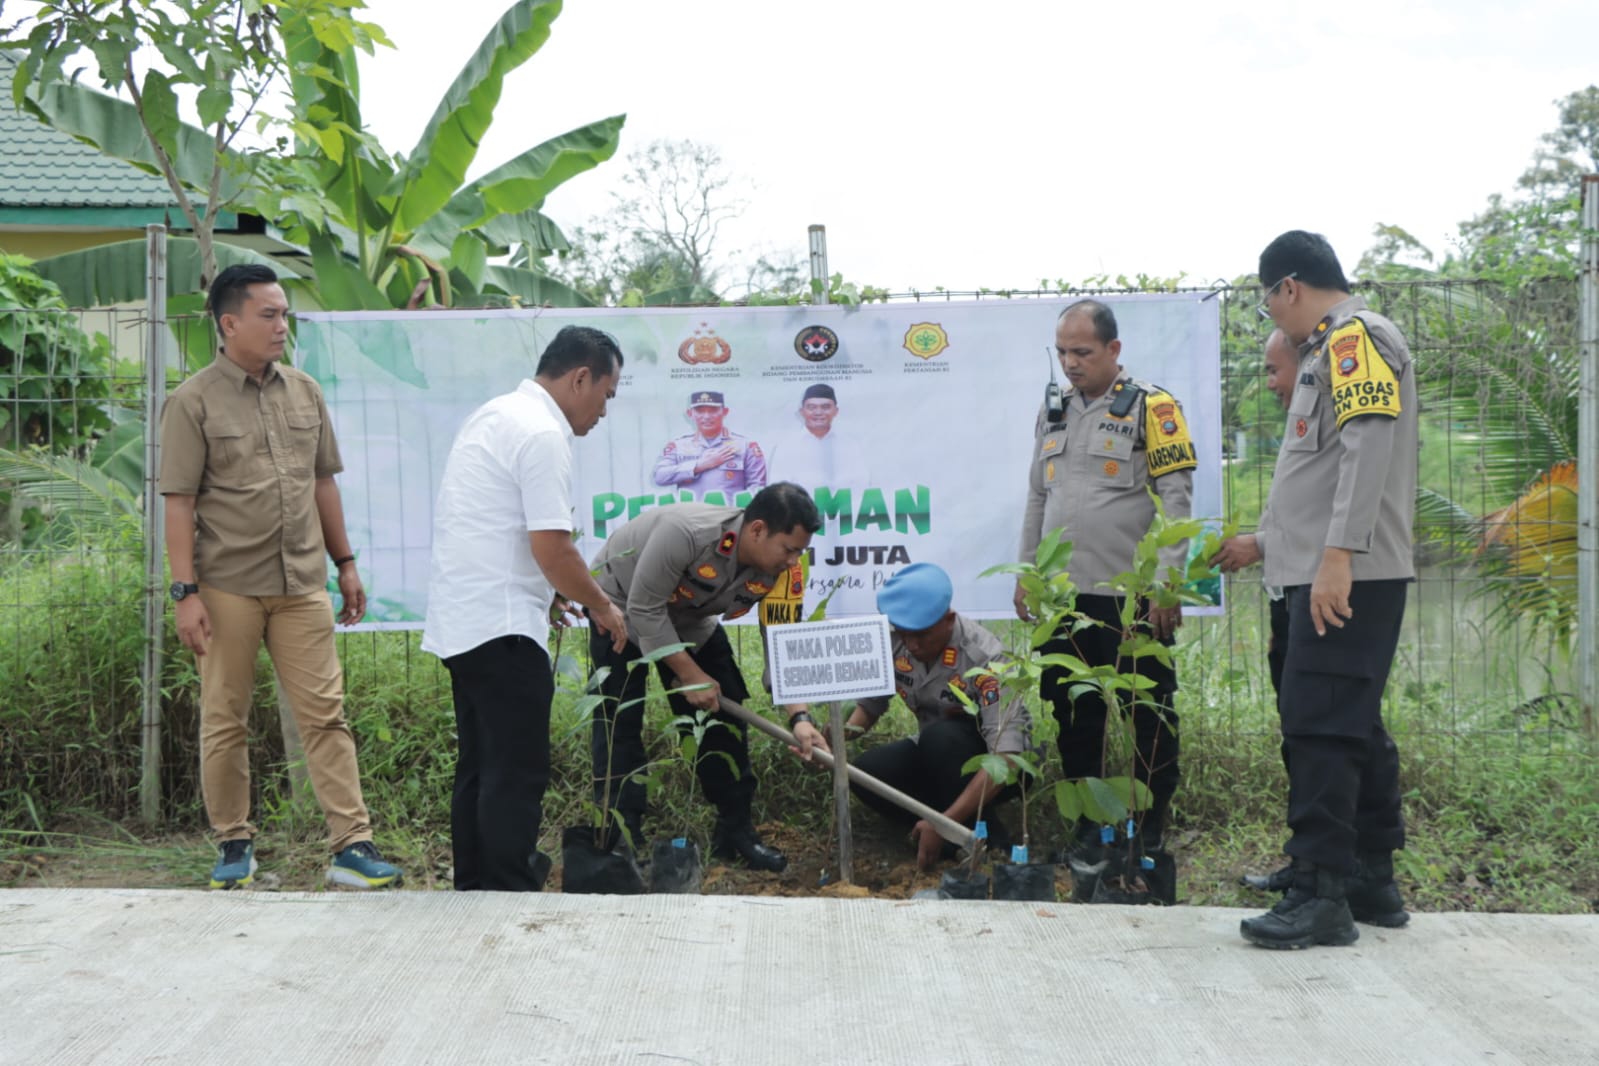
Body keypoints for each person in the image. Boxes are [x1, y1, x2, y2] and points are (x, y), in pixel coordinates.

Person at [159, 264, 401, 891]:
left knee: (327, 715)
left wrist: (345, 564)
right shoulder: (192, 401)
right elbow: (179, 501)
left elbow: (323, 483)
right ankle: (234, 845)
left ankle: (352, 845)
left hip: (301, 585)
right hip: (226, 587)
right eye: (268, 315)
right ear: (229, 321)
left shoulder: (305, 391)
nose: (281, 326)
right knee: (226, 717)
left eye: (285, 314)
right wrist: (185, 593)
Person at [1238, 230, 1416, 950]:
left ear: (1287, 287)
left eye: (1267, 304)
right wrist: (1268, 544)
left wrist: (1337, 554)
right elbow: (1321, 472)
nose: (1272, 319)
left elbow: (1368, 439)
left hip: (1349, 573)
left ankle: (1321, 895)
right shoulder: (1324, 350)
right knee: (1349, 723)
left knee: (1319, 726)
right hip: (1324, 567)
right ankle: (1369, 877)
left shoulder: (1355, 338)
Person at [421, 326, 631, 892]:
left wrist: (553, 591)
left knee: (481, 767)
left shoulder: (497, 414)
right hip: (503, 627)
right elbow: (553, 547)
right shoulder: (543, 433)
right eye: (606, 395)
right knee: (516, 772)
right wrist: (602, 606)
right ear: (580, 378)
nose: (603, 412)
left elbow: (499, 530)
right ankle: (509, 890)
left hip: (466, 620)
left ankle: (476, 888)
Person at [1013, 299, 1196, 853]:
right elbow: (1036, 497)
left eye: (1083, 352)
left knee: (1149, 712)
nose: (1071, 363)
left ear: (1114, 350)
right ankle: (1088, 825)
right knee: (1074, 713)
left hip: (1131, 597)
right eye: (1063, 351)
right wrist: (1028, 574)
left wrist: (1165, 586)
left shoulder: (1153, 408)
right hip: (1067, 599)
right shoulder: (1053, 411)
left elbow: (1177, 502)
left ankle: (1151, 822)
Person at [587, 482, 826, 871]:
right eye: (789, 548)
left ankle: (735, 833)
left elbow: (782, 639)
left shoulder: (786, 572)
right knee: (618, 720)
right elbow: (645, 612)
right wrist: (690, 675)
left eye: (800, 551)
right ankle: (619, 842)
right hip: (618, 608)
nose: (793, 559)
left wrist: (800, 717)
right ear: (758, 530)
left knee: (725, 714)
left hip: (688, 618)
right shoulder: (685, 533)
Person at [842, 563, 1033, 869]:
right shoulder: (898, 642)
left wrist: (945, 822)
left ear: (949, 619)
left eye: (921, 636)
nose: (913, 645)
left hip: (995, 761)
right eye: (904, 634)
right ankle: (940, 838)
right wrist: (836, 736)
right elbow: (871, 705)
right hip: (936, 753)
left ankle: (989, 841)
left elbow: (1006, 758)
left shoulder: (987, 658)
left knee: (941, 739)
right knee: (866, 773)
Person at [1211, 328, 1298, 891]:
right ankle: (1315, 863)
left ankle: (1340, 871)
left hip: (1319, 595)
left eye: (1274, 370)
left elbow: (1333, 518)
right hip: (1289, 596)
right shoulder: (1300, 422)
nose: (1269, 384)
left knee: (1332, 736)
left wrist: (1260, 544)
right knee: (1305, 733)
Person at [652, 390, 767, 498]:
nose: (706, 416)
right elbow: (660, 477)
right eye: (700, 411)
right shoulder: (678, 446)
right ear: (690, 413)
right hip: (690, 516)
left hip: (729, 516)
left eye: (713, 410)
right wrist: (699, 465)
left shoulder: (745, 446)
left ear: (725, 412)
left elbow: (757, 488)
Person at [766, 383, 871, 491]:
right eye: (811, 407)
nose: (818, 412)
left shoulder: (850, 445)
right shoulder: (786, 447)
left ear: (836, 411)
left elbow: (862, 486)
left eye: (825, 407)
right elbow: (778, 493)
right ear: (802, 412)